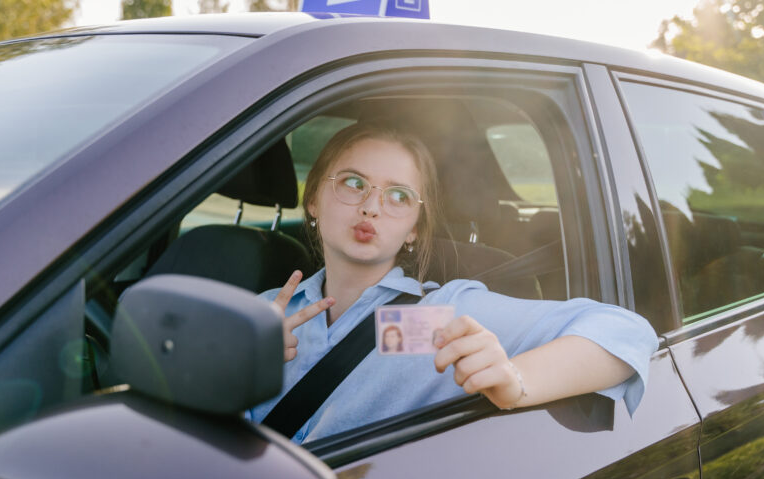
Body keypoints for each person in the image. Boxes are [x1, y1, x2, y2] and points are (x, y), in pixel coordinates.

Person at [248, 123, 658, 444]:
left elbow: (627, 332)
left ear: (413, 229)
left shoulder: (432, 321)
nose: (371, 207)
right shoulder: (266, 312)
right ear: (314, 199)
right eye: (354, 183)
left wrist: (515, 380)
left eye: (399, 197)